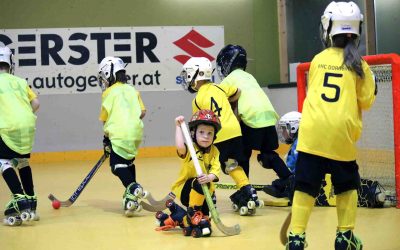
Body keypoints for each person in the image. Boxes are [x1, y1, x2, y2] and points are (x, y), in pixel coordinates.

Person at [286, 2, 377, 250]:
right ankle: (344, 237)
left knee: (305, 187)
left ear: (327, 28)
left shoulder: (317, 60)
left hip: (312, 135)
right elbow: (367, 101)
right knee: (347, 186)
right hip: (341, 137)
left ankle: (296, 237)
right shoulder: (361, 66)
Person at [180, 57, 263, 216]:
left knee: (211, 165)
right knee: (231, 164)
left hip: (219, 134)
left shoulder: (197, 100)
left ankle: (209, 197)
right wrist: (229, 102)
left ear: (197, 75)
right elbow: (237, 91)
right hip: (235, 131)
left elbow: (200, 125)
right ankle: (246, 188)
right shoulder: (220, 87)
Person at [216, 44, 294, 196]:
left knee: (242, 155)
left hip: (250, 118)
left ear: (226, 63)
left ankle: (245, 189)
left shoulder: (228, 81)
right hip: (269, 117)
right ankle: (288, 179)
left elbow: (225, 105)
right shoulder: (249, 76)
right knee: (267, 154)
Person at [155, 110, 221, 237]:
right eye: (201, 132)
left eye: (210, 133)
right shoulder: (191, 148)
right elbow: (180, 146)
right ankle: (193, 211)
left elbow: (215, 170)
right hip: (186, 190)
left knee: (205, 217)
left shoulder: (215, 151)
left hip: (206, 192)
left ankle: (181, 218)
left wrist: (209, 177)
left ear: (214, 136)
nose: (206, 136)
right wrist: (178, 127)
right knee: (199, 182)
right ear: (193, 133)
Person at [98, 56, 148, 217]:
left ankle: (133, 188)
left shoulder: (108, 93)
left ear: (107, 74)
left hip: (119, 133)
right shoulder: (132, 89)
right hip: (136, 132)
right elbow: (143, 112)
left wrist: (106, 140)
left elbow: (105, 119)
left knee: (116, 166)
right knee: (128, 162)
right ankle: (131, 199)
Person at [0, 43, 40, 225]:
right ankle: (31, 201)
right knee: (22, 162)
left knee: (3, 161)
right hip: (28, 125)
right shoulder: (20, 81)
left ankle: (18, 198)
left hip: (8, 127)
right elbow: (36, 104)